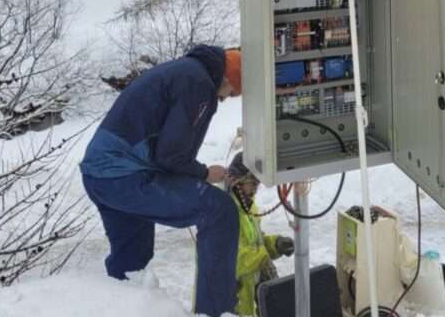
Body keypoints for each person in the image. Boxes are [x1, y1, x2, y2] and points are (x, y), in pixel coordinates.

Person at [79, 45, 243, 317]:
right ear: (228, 80)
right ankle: (216, 313)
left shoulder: (184, 70)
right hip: (126, 175)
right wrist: (204, 174)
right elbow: (171, 156)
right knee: (219, 210)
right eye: (231, 94)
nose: (226, 98)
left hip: (101, 174)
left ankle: (119, 309)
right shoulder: (199, 83)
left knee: (131, 263)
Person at [225, 152, 294, 317]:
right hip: (229, 300)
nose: (256, 186)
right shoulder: (224, 212)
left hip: (246, 294)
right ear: (237, 181)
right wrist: (263, 256)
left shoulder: (249, 207)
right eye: (252, 182)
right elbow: (230, 259)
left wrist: (275, 244)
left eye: (257, 182)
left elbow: (255, 242)